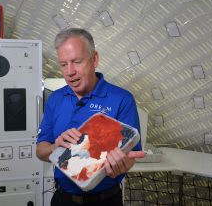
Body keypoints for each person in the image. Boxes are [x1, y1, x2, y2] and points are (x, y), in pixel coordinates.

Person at [36, 28, 144, 206]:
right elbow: (40, 150)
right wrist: (56, 146)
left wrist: (122, 164)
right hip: (62, 199)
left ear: (94, 59)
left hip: (105, 200)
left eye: (76, 62)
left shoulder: (122, 99)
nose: (69, 72)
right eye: (63, 64)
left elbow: (130, 155)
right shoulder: (55, 99)